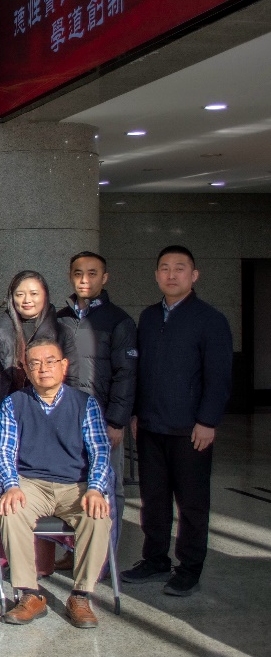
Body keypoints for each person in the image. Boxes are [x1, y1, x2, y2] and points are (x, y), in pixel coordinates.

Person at [121, 245, 232, 597]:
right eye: (165, 268)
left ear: (194, 275)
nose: (172, 274)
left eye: (180, 268)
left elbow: (219, 377)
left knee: (192, 502)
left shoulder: (210, 320)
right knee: (154, 500)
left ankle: (189, 567)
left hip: (190, 430)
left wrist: (208, 421)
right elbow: (140, 371)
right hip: (150, 426)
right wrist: (137, 413)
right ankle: (155, 559)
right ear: (156, 275)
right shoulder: (149, 317)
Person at [0, 339, 112, 628]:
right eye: (35, 363)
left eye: (50, 362)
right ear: (26, 369)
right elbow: (4, 451)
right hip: (31, 483)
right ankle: (29, 593)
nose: (43, 368)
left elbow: (100, 450)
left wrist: (95, 488)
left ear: (64, 366)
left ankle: (81, 595)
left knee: (97, 515)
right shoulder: (14, 403)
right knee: (11, 510)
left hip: (76, 485)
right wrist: (11, 485)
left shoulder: (85, 403)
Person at [56, 252, 137, 556]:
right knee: (71, 484)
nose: (84, 280)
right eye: (78, 273)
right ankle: (74, 554)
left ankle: (104, 558)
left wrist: (116, 421)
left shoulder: (119, 321)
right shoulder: (60, 318)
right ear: (70, 276)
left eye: (92, 274)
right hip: (66, 418)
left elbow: (126, 374)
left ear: (104, 278)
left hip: (103, 419)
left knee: (108, 486)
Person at [0, 270, 63, 420]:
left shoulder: (62, 331)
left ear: (45, 295)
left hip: (51, 411)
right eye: (20, 294)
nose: (27, 300)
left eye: (34, 294)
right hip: (9, 412)